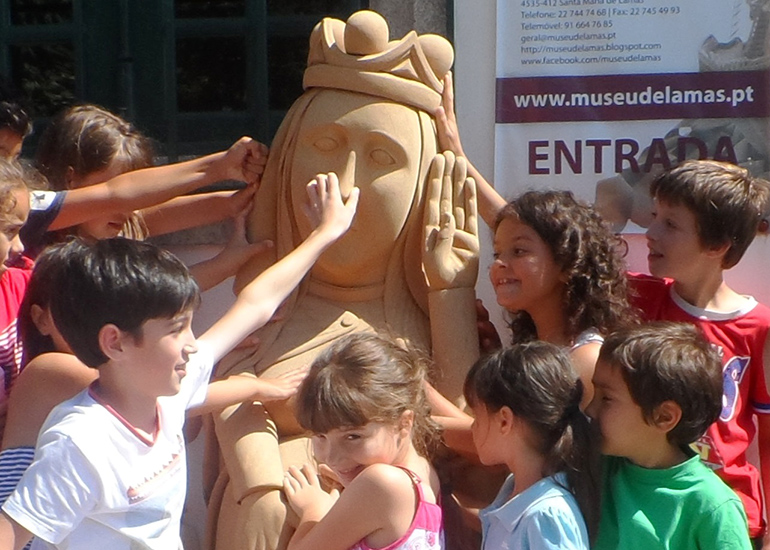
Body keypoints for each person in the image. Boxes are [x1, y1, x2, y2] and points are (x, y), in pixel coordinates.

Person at [206, 12, 480, 550]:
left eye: (381, 157)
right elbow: (229, 403)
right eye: (327, 146)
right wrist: (261, 486)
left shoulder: (417, 308)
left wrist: (450, 292)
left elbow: (464, 433)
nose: (347, 185)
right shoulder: (270, 310)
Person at [0, 171, 358, 550]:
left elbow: (255, 305)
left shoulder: (166, 395)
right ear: (115, 343)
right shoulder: (78, 444)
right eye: (176, 330)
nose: (192, 345)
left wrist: (325, 234)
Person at [628, 160, 770, 547]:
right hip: (649, 512)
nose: (650, 233)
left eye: (670, 224)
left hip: (729, 518)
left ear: (717, 245)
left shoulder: (759, 327)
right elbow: (552, 244)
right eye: (654, 217)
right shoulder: (637, 299)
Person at [586, 322, 752, 549]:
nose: (589, 410)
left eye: (606, 398)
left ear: (664, 417)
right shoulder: (595, 469)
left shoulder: (712, 506)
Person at [283, 332, 443, 550]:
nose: (332, 458)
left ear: (403, 423)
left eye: (353, 436)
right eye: (320, 436)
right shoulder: (424, 471)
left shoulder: (382, 483)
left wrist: (314, 509)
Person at [463, 342, 600, 549]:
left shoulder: (546, 515)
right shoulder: (514, 492)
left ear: (504, 421)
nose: (473, 427)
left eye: (477, 417)